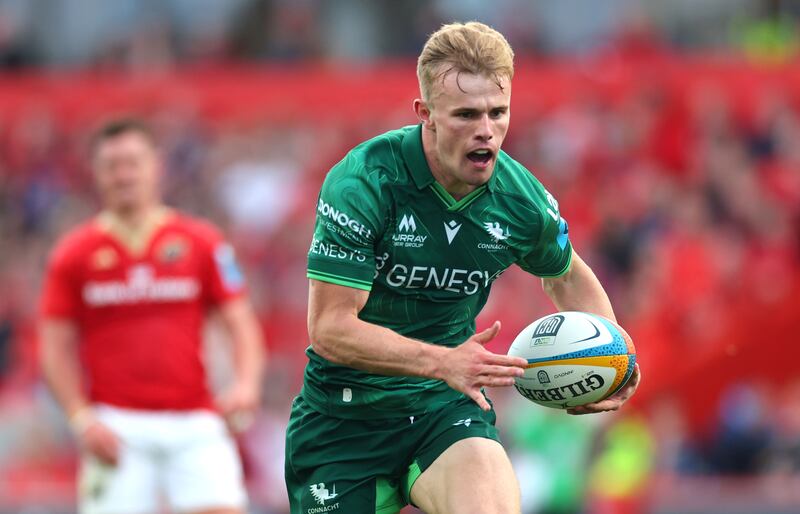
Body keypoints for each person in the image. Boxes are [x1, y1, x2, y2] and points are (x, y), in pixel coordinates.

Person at [285, 21, 642, 514]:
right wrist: (442, 361)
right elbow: (329, 328)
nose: (486, 130)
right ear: (425, 114)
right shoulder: (363, 182)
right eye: (467, 114)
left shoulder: (521, 201)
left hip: (444, 406)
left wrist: (613, 359)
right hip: (344, 418)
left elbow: (565, 275)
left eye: (499, 112)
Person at [39, 118, 265, 514]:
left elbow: (241, 322)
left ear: (156, 166)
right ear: (96, 172)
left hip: (196, 420)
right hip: (115, 426)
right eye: (112, 165)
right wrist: (80, 419)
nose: (123, 174)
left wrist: (246, 385)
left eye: (132, 162)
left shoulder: (200, 241)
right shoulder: (73, 254)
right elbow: (52, 345)